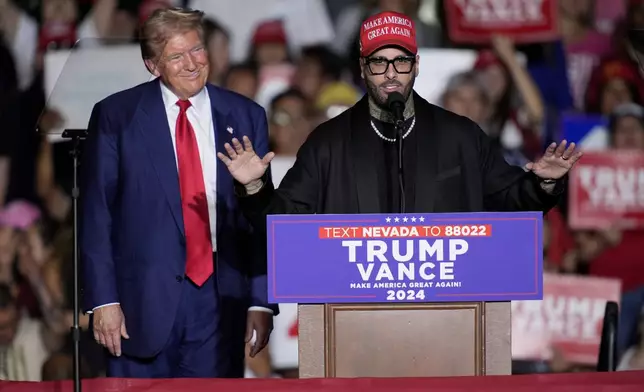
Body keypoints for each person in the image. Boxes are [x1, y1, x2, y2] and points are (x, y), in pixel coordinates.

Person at [217, 11, 582, 223]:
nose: (391, 73)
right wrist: (254, 187)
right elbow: (284, 222)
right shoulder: (328, 142)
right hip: (353, 320)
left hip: (448, 314)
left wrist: (544, 185)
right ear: (363, 68)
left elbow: (510, 199)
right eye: (379, 61)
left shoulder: (460, 136)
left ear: (416, 65)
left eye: (401, 60)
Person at [80, 7, 277, 379]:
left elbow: (260, 221)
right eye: (176, 56)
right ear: (152, 65)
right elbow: (97, 213)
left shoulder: (245, 115)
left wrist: (261, 301)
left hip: (220, 301)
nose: (192, 64)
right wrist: (104, 300)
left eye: (197, 50)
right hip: (139, 303)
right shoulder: (116, 116)